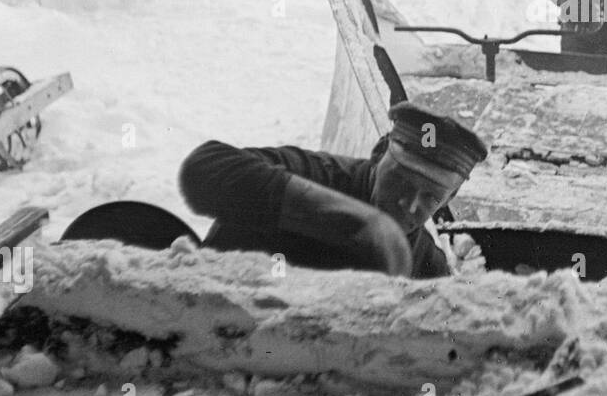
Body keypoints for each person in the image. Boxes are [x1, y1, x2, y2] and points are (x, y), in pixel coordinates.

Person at [177, 102, 488, 278]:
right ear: (379, 155)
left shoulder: (427, 265)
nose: (409, 204)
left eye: (431, 197)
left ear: (450, 198)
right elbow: (204, 167)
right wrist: (359, 221)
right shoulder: (316, 175)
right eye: (400, 181)